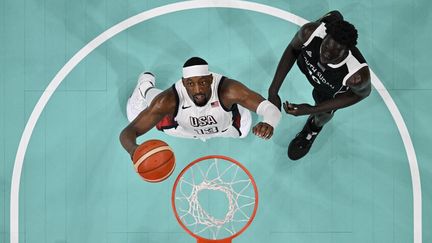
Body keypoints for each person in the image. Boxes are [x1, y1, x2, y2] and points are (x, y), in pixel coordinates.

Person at [120, 57, 281, 158]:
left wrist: (269, 122)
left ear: (211, 79)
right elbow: (129, 132)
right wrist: (133, 150)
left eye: (203, 82)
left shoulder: (229, 90)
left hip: (228, 127)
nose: (198, 90)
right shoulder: (169, 100)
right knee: (134, 113)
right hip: (183, 128)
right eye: (191, 84)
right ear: (184, 83)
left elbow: (270, 109)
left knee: (244, 132)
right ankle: (145, 87)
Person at [268, 11, 371, 160]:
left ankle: (311, 130)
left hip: (329, 91)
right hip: (308, 67)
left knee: (323, 115)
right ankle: (331, 19)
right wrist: (273, 91)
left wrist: (311, 109)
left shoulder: (357, 75)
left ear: (347, 52)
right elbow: (292, 49)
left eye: (334, 53)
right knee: (318, 31)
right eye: (326, 47)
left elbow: (361, 94)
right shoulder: (309, 32)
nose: (326, 55)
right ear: (325, 37)